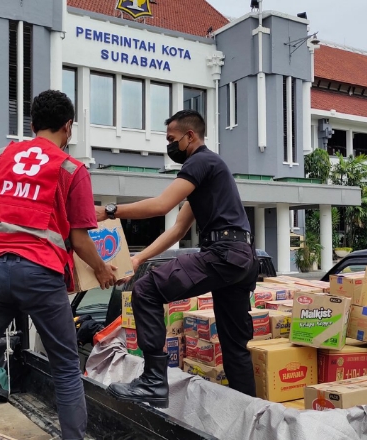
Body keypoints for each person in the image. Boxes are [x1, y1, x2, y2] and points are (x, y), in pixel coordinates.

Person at [0, 90, 116, 440]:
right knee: (64, 369)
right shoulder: (72, 169)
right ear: (68, 126)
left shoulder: (2, 155)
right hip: (40, 273)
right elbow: (78, 240)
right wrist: (103, 270)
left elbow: (4, 199)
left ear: (32, 124)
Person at [96, 109, 258, 407]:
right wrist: (138, 259)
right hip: (241, 258)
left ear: (190, 136)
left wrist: (109, 211)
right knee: (234, 347)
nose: (169, 146)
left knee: (145, 290)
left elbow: (161, 205)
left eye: (172, 139)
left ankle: (154, 383)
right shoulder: (210, 172)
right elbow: (178, 229)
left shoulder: (201, 161)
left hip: (224, 254)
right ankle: (250, 414)